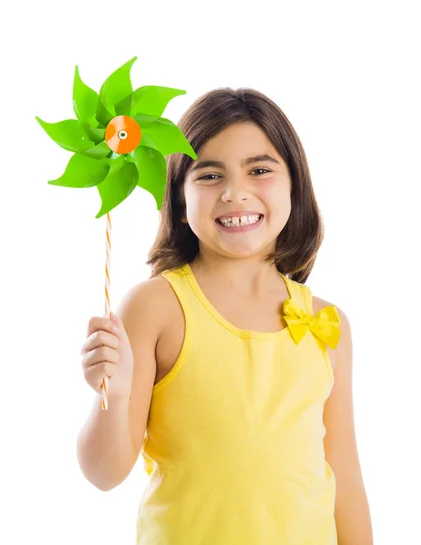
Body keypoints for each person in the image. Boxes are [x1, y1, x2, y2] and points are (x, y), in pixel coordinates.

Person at [77, 88, 373, 544]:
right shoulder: (156, 307)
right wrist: (112, 400)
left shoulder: (327, 321)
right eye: (210, 175)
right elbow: (104, 472)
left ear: (295, 182)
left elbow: (345, 478)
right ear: (177, 196)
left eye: (259, 170)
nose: (236, 193)